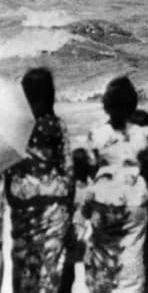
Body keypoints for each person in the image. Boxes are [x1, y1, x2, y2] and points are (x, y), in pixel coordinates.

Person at [79, 76, 148, 293]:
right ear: (133, 104)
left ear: (106, 105)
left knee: (103, 256)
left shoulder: (97, 134)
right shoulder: (142, 134)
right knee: (132, 253)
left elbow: (91, 168)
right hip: (133, 200)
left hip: (104, 199)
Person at [6, 68, 74, 293]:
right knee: (49, 268)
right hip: (54, 205)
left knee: (25, 266)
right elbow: (68, 169)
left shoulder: (13, 127)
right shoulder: (56, 124)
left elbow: (6, 167)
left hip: (24, 206)